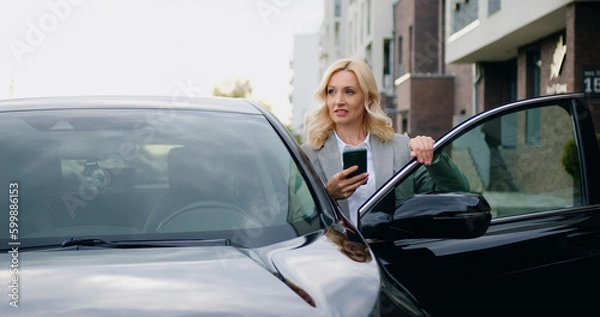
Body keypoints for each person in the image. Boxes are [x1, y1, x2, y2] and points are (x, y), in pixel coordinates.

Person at [302, 58, 469, 225]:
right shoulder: (308, 155)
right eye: (331, 91)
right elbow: (298, 221)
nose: (338, 101)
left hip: (390, 248)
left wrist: (434, 155)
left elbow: (459, 192)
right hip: (335, 250)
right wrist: (327, 195)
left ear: (368, 98)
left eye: (349, 91)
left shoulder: (401, 147)